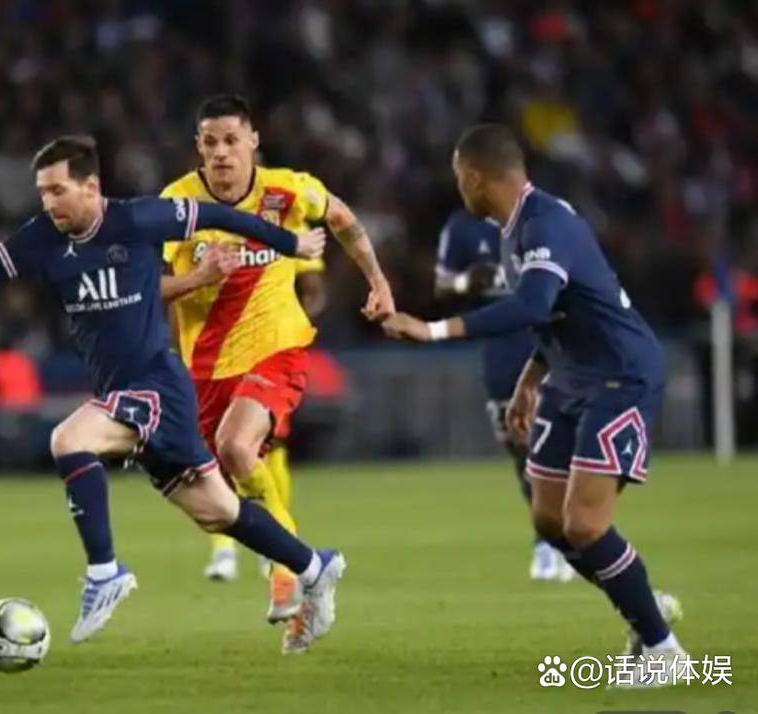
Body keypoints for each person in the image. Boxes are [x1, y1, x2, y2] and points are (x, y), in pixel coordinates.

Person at [0, 135, 345, 653]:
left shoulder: (138, 219)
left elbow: (220, 215)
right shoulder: (41, 236)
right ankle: (314, 567)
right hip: (126, 393)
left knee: (69, 439)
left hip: (157, 385)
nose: (48, 202)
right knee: (219, 512)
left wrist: (290, 244)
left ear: (91, 187)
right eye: (42, 192)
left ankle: (104, 572)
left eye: (57, 191)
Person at [381, 125, 686, 686]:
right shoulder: (514, 227)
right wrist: (531, 376)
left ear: (476, 178)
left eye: (459, 177)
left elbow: (533, 305)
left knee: (585, 524)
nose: (458, 188)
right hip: (568, 376)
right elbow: (559, 311)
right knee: (548, 520)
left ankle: (664, 650)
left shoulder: (546, 223)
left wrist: (433, 330)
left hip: (619, 375)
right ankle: (642, 603)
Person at [160, 95, 393, 648]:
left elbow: (343, 220)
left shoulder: (288, 190)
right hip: (205, 367)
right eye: (211, 142)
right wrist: (197, 281)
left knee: (237, 446)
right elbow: (153, 289)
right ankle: (312, 571)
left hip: (277, 348)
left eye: (231, 140)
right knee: (214, 507)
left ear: (253, 142)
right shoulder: (175, 206)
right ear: (198, 147)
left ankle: (285, 573)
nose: (221, 153)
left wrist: (378, 282)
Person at [433, 209, 573, 582]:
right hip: (500, 351)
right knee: (521, 446)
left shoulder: (546, 215)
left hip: (553, 343)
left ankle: (567, 535)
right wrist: (466, 282)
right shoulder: (462, 226)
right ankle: (548, 539)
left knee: (558, 441)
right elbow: (441, 284)